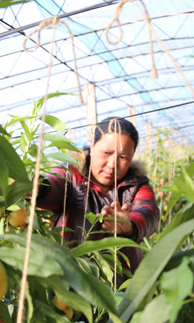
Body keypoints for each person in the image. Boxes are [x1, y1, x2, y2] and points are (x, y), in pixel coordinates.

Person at [36, 117, 160, 283]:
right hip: (71, 280)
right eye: (107, 153)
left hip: (123, 286)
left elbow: (149, 212)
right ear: (92, 146)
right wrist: (38, 187)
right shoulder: (71, 173)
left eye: (123, 157)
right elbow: (55, 184)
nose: (112, 165)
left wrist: (130, 224)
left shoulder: (136, 184)